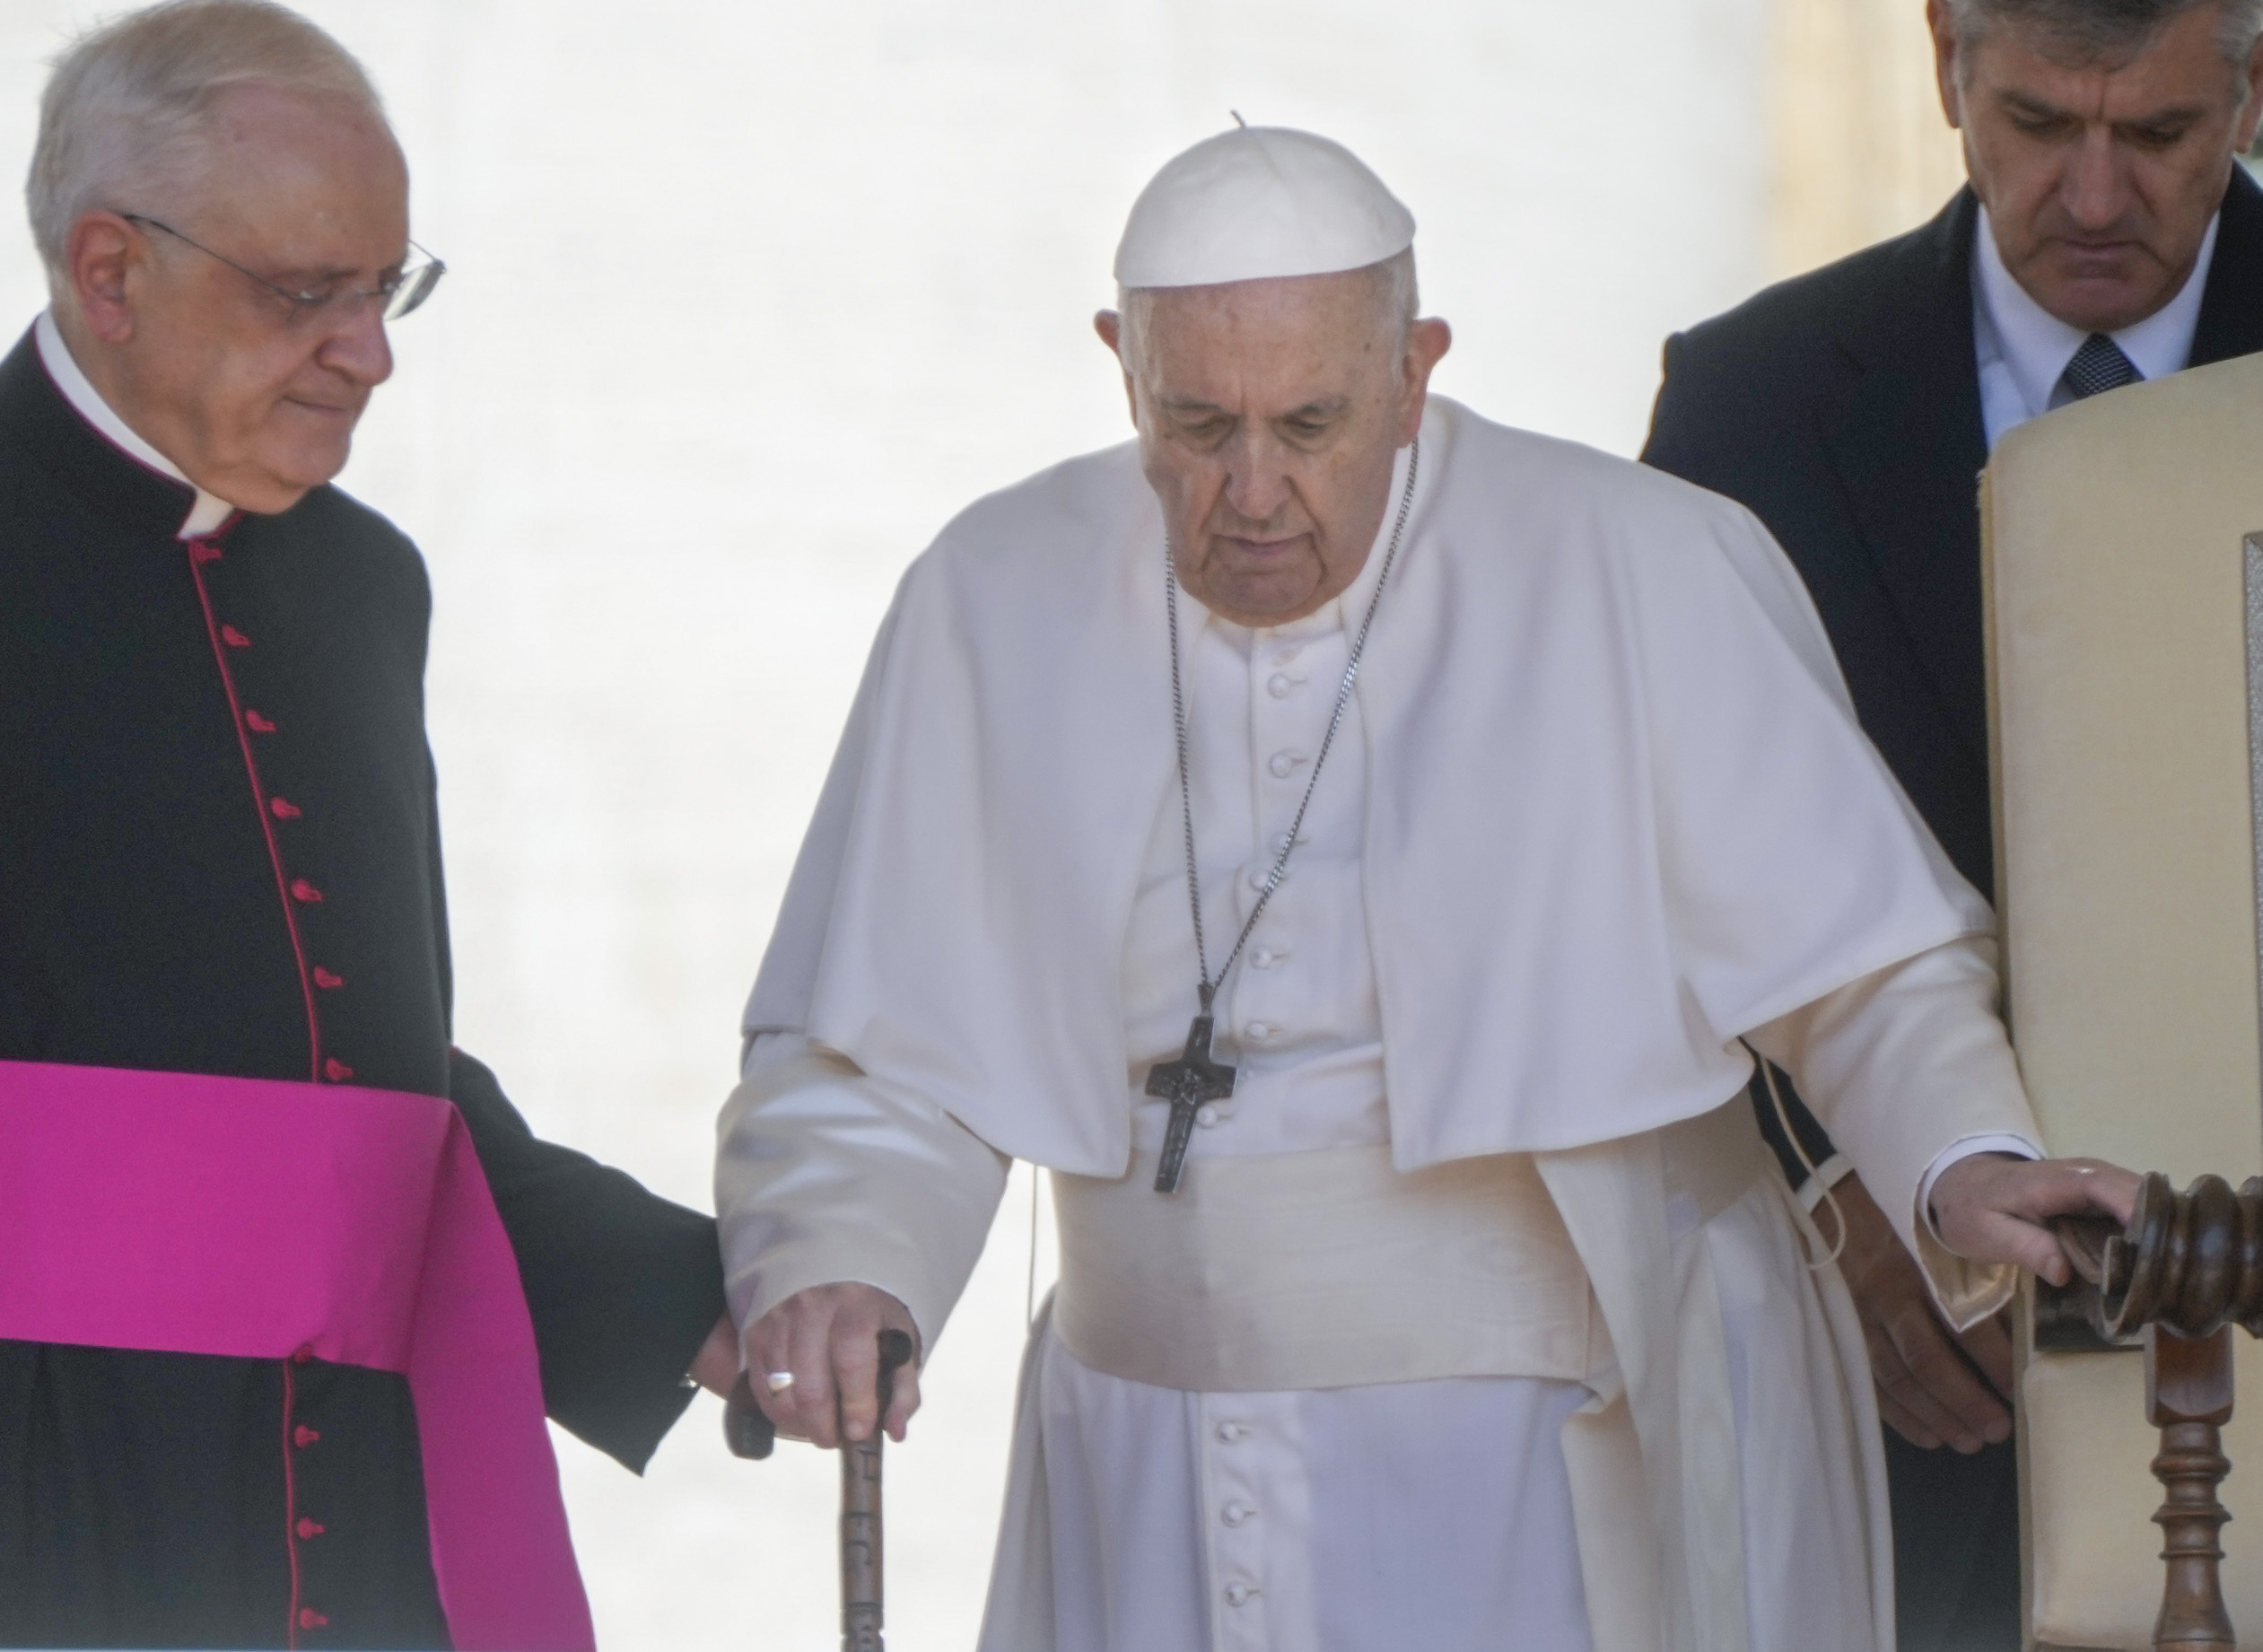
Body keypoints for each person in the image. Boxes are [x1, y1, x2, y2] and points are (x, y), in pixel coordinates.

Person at [716, 123, 2135, 1650]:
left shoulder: (1634, 564)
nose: (1250, 491)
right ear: (1120, 363)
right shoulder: (988, 595)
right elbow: (882, 1044)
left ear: (1415, 370)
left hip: (1549, 1452)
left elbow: (1860, 964)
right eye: (1195, 425)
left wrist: (1957, 1155)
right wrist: (843, 1254)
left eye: (1309, 421)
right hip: (1144, 1458)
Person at [0, 4, 737, 1647]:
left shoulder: (357, 582)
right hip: (68, 1495)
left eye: (386, 286)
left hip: (363, 1508)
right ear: (108, 272)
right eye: (302, 293)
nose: (372, 350)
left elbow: (374, 1077)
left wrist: (684, 1299)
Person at [1640, 1, 2263, 1642]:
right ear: (1941, 67)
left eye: (2158, 136)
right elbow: (1660, 858)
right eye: (2038, 124)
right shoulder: (1746, 404)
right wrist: (1845, 1203)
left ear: (2256, 87)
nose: (2093, 196)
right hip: (1914, 1370)